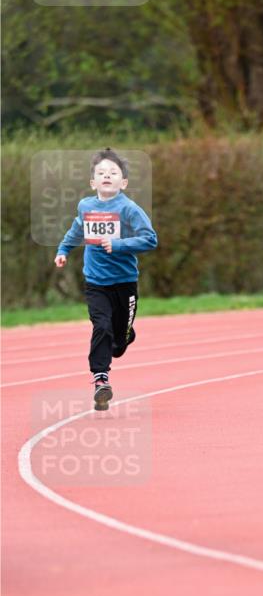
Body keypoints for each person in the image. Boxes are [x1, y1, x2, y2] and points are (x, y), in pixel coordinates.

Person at [54, 148, 158, 410]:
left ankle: (124, 336)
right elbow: (77, 228)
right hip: (96, 282)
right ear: (93, 182)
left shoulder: (129, 208)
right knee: (101, 326)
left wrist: (119, 244)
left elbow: (150, 239)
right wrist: (63, 250)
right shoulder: (86, 206)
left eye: (113, 172)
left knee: (119, 342)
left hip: (124, 281)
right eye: (101, 173)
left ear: (123, 182)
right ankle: (101, 379)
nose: (107, 176)